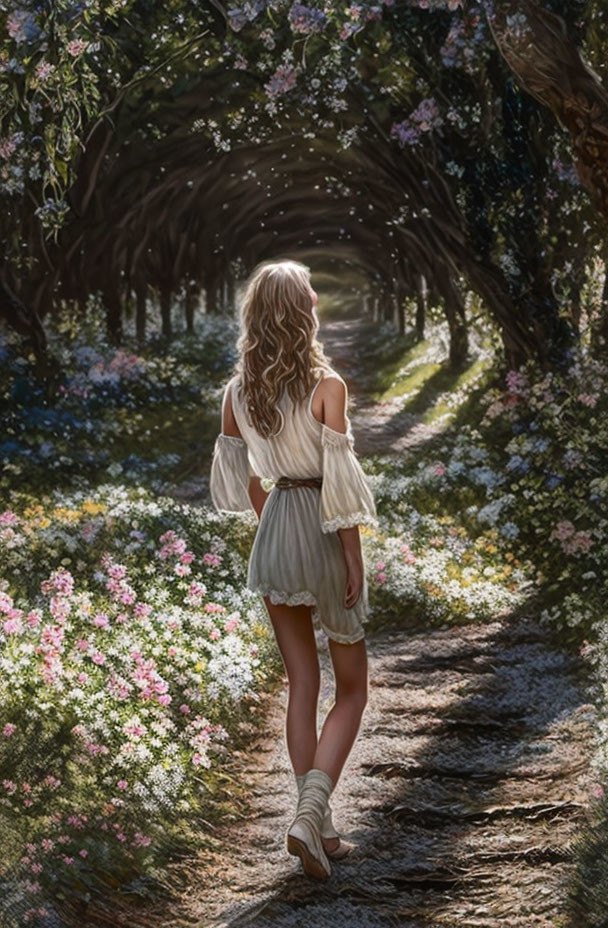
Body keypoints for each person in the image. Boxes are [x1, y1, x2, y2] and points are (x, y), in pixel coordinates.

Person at [209, 258, 378, 881]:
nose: (316, 301)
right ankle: (312, 813)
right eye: (310, 295)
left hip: (277, 526)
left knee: (301, 684)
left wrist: (272, 522)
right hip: (324, 531)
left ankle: (319, 825)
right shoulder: (327, 386)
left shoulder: (236, 393)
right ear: (299, 312)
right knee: (354, 686)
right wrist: (353, 555)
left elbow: (244, 481)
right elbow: (340, 485)